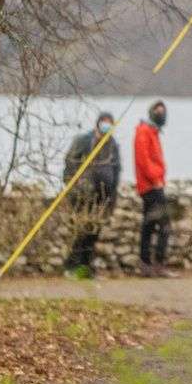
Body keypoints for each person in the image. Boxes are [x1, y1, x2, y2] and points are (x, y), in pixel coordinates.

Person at [60, 111, 121, 277]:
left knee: (94, 232)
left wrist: (112, 197)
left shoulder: (113, 145)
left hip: (103, 196)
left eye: (110, 123)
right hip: (83, 195)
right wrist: (73, 185)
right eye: (104, 122)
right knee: (82, 231)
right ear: (98, 123)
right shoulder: (84, 141)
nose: (106, 126)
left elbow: (117, 170)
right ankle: (71, 265)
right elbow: (70, 163)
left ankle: (85, 267)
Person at [133, 100, 174, 278]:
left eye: (162, 111)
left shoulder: (152, 132)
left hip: (152, 184)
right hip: (151, 186)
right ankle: (156, 263)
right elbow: (144, 160)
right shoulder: (144, 131)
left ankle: (146, 264)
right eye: (158, 111)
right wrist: (156, 179)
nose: (161, 114)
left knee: (149, 225)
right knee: (164, 226)